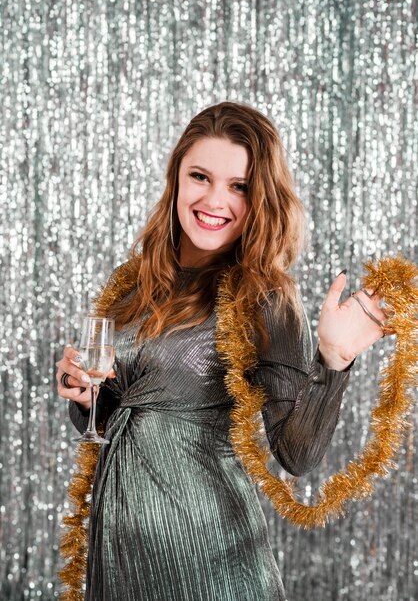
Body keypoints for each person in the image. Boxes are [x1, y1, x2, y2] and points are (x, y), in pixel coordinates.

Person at [56, 101, 389, 601]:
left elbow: (296, 454)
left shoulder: (264, 296)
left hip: (210, 556)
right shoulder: (132, 286)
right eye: (200, 176)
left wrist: (334, 360)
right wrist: (84, 398)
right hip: (122, 549)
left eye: (239, 186)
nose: (215, 199)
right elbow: (123, 411)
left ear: (262, 201)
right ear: (176, 180)